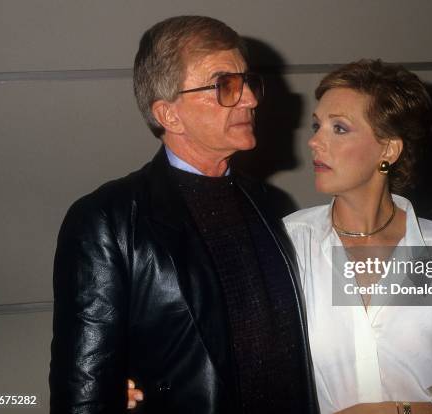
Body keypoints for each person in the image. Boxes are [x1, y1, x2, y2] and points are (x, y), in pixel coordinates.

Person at [49, 16, 319, 413]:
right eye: (224, 86)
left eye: (247, 82)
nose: (250, 99)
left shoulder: (269, 203)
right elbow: (83, 393)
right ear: (169, 115)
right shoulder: (108, 220)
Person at [282, 60, 432, 413]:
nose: (314, 141)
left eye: (339, 128)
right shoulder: (284, 245)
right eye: (317, 125)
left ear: (388, 151)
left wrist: (398, 412)